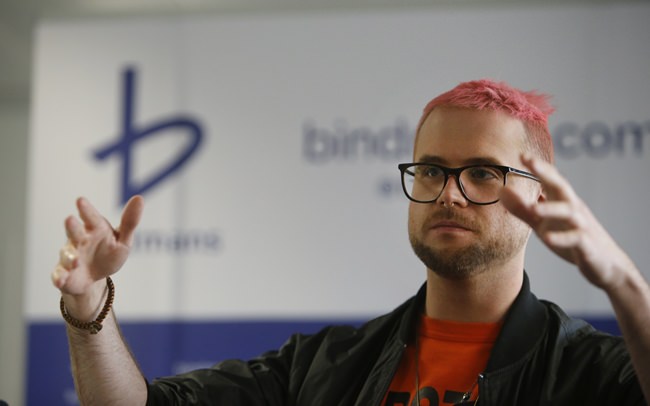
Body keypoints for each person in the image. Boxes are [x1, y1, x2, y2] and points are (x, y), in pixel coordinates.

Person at [52, 79, 650, 405]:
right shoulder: (322, 367)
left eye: (483, 173)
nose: (450, 194)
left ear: (539, 196)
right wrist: (88, 304)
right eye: (431, 170)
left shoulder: (589, 371)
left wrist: (623, 282)